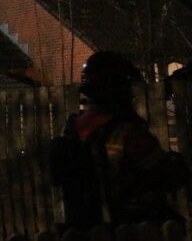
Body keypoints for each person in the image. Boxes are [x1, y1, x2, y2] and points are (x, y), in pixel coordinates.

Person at [50, 51, 189, 228]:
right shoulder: (128, 133)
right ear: (118, 88)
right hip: (131, 231)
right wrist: (177, 163)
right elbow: (165, 176)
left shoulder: (71, 129)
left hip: (85, 232)